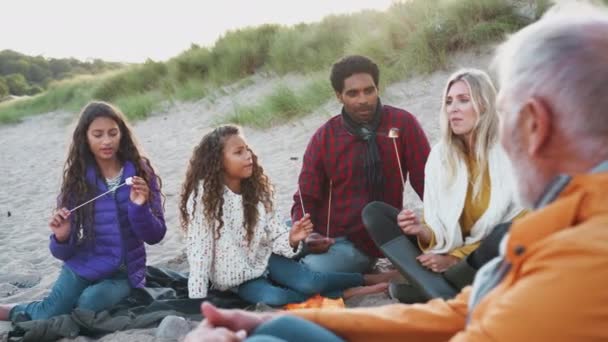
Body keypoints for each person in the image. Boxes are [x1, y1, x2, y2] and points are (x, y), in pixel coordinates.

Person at [184, 2, 608, 341]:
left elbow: (477, 318)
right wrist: (268, 323)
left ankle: (405, 277)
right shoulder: (560, 218)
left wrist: (434, 237)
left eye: (504, 113)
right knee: (281, 324)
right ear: (339, 96)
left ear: (536, 124)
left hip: (428, 249)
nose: (499, 130)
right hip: (354, 240)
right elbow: (462, 312)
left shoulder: (576, 253)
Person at [179, 125, 391, 307]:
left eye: (247, 150)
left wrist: (291, 238)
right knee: (275, 298)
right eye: (238, 152)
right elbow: (200, 253)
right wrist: (197, 301)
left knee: (310, 282)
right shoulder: (203, 199)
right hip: (238, 279)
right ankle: (343, 293)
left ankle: (364, 278)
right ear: (218, 161)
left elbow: (275, 236)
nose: (248, 156)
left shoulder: (257, 190)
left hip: (266, 257)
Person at [363, 69, 525, 301]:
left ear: (486, 105)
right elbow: (438, 227)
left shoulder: (511, 150)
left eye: (463, 100)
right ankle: (445, 290)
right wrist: (421, 230)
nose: (453, 108)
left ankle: (431, 291)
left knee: (506, 234)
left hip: (489, 256)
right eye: (448, 101)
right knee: (376, 214)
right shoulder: (440, 157)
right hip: (448, 251)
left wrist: (456, 257)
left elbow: (523, 220)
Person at [0, 101, 166, 322]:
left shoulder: (141, 171)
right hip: (85, 263)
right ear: (85, 138)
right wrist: (62, 235)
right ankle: (9, 310)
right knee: (49, 312)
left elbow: (156, 236)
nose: (106, 141)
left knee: (87, 303)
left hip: (123, 272)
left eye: (112, 133)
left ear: (121, 135)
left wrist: (139, 208)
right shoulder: (76, 179)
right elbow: (63, 253)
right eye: (97, 135)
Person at [293, 55, 431, 274]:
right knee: (279, 254)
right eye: (352, 93)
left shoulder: (402, 124)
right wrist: (308, 235)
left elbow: (428, 182)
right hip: (332, 236)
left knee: (311, 271)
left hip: (377, 237)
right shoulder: (325, 137)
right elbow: (305, 196)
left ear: (378, 88)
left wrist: (444, 230)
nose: (363, 99)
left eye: (369, 90)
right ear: (339, 96)